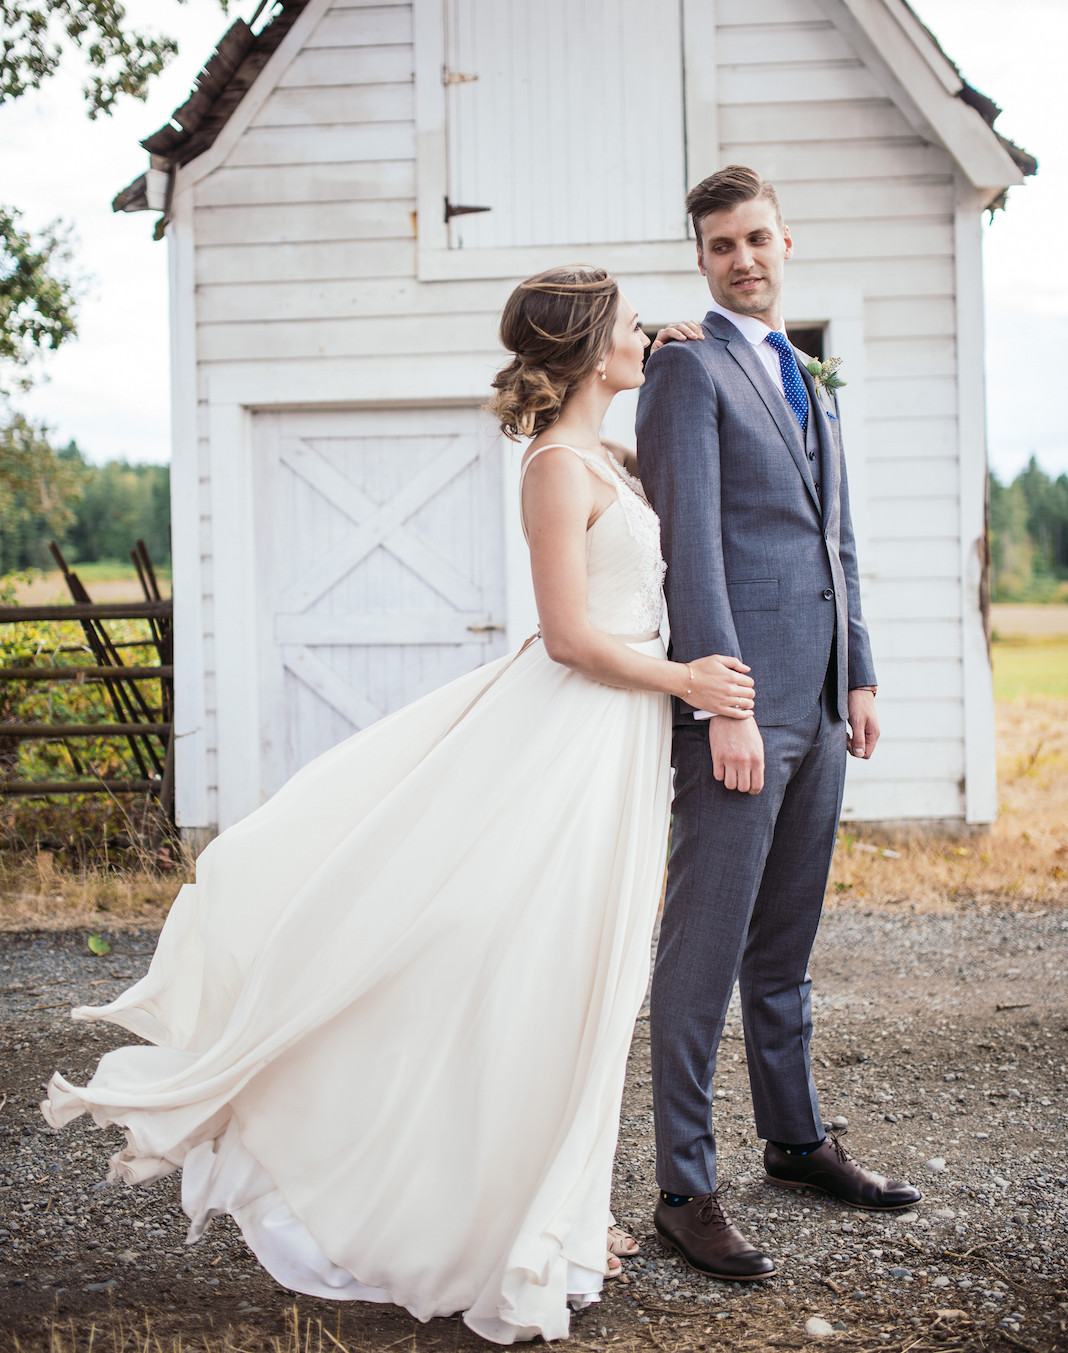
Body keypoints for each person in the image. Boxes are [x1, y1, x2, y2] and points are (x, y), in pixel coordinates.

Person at [42, 266, 756, 1345]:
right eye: (625, 326)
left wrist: (701, 350)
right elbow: (568, 636)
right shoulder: (557, 468)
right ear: (581, 352)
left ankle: (555, 1212)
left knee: (593, 982)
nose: (640, 334)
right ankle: (472, 1211)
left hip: (610, 751)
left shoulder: (612, 453)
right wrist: (689, 681)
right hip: (570, 735)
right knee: (530, 970)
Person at [637, 166, 920, 1282]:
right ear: (701, 259)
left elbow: (835, 538)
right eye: (720, 245)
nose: (742, 259)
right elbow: (690, 549)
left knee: (786, 943)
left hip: (820, 700)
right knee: (704, 945)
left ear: (787, 240)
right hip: (744, 708)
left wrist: (861, 675)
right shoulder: (684, 369)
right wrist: (721, 705)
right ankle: (684, 1185)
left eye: (756, 238)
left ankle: (795, 1140)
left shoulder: (813, 375)